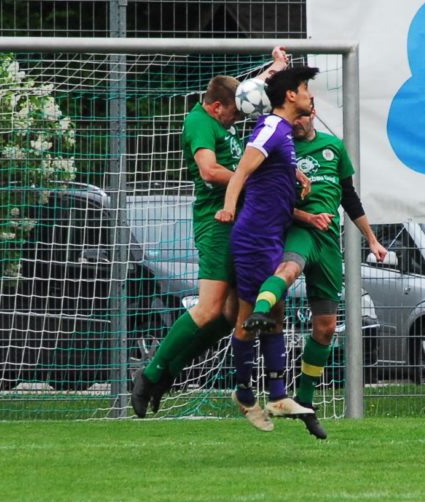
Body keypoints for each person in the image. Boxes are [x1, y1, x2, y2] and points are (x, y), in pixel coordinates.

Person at [131, 47, 290, 418]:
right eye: (233, 112)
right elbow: (208, 170)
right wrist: (252, 179)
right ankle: (150, 375)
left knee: (231, 314)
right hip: (217, 223)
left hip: (240, 223)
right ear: (217, 107)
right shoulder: (200, 122)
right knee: (208, 309)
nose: (237, 118)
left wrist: (275, 68)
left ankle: (168, 374)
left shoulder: (223, 113)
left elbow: (248, 92)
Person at [241, 107, 388, 439]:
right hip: (299, 232)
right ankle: (259, 313)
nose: (299, 122)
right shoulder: (280, 150)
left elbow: (349, 196)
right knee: (289, 269)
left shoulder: (333, 147)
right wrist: (305, 216)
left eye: (304, 116)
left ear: (313, 114)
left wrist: (372, 239)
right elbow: (268, 198)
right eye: (294, 117)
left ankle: (305, 400)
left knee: (326, 328)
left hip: (329, 242)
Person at [214, 66, 320, 432]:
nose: (310, 96)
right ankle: (246, 395)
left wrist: (295, 176)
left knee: (275, 314)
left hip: (271, 236)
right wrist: (229, 207)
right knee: (250, 319)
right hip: (254, 237)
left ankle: (277, 395)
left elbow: (269, 168)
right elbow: (242, 173)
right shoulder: (272, 127)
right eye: (305, 89)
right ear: (290, 96)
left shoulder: (283, 132)